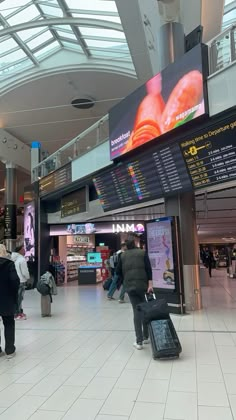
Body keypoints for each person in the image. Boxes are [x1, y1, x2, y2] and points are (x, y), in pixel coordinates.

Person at [116, 239, 153, 350]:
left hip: (130, 287)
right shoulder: (142, 253)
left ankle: (139, 341)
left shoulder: (122, 256)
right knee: (145, 309)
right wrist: (150, 283)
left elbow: (117, 272)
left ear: (126, 246)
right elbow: (148, 269)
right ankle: (146, 336)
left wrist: (125, 279)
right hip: (143, 286)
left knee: (137, 311)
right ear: (136, 244)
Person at [0, 244, 20, 358]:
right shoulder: (9, 264)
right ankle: (10, 350)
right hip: (7, 299)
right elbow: (14, 281)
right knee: (8, 323)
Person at [12, 245, 30, 320]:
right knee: (19, 298)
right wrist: (28, 277)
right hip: (21, 281)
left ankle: (18, 311)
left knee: (16, 297)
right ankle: (17, 313)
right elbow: (24, 272)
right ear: (19, 250)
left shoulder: (13, 258)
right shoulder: (22, 260)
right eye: (23, 249)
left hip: (14, 281)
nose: (24, 251)